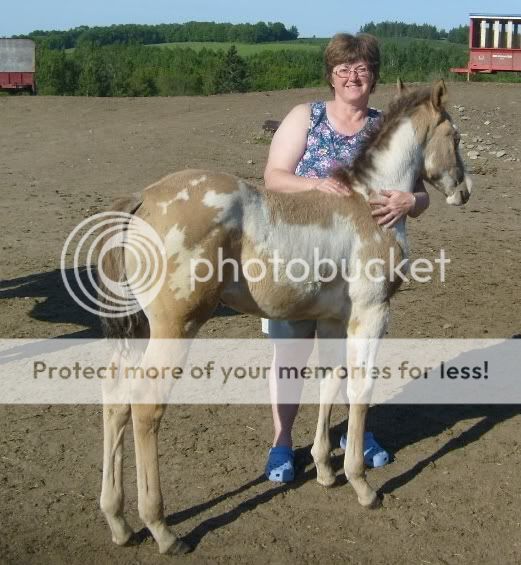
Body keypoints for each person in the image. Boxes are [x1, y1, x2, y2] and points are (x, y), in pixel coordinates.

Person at [263, 33, 430, 482]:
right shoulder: (306, 117)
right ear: (331, 76)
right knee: (291, 352)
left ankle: (352, 434)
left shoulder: (388, 128)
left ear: (373, 76)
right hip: (296, 257)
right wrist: (316, 184)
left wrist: (410, 203)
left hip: (360, 265)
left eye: (361, 68)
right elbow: (274, 177)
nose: (352, 76)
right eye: (343, 69)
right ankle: (282, 441)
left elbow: (421, 192)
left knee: (353, 351)